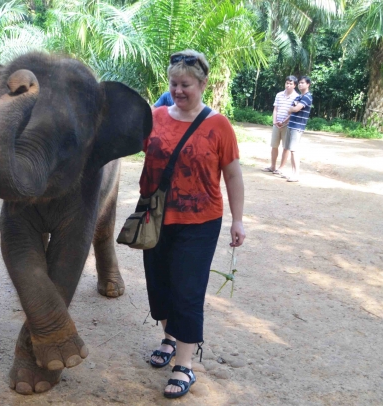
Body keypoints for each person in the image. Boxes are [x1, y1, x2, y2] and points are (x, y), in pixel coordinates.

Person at [139, 49, 245, 399]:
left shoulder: (218, 125)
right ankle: (169, 336)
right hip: (156, 218)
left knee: (187, 290)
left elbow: (232, 174)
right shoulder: (153, 117)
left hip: (200, 221)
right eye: (173, 84)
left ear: (203, 84)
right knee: (159, 288)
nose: (179, 90)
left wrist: (238, 220)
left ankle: (184, 364)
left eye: (186, 84)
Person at [277, 76, 313, 182]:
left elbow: (295, 108)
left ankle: (296, 174)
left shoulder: (307, 97)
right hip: (291, 125)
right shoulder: (298, 97)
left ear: (308, 84)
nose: (301, 84)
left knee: (294, 150)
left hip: (297, 126)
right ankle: (293, 173)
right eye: (300, 83)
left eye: (303, 83)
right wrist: (293, 109)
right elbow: (291, 110)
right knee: (289, 149)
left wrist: (293, 109)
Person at [262, 76, 298, 173]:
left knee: (285, 147)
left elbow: (293, 112)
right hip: (276, 124)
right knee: (274, 146)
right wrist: (274, 121)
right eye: (287, 83)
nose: (288, 85)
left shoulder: (296, 97)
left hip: (287, 125)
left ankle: (281, 168)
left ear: (294, 85)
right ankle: (273, 166)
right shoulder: (279, 95)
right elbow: (275, 109)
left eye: (291, 84)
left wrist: (284, 121)